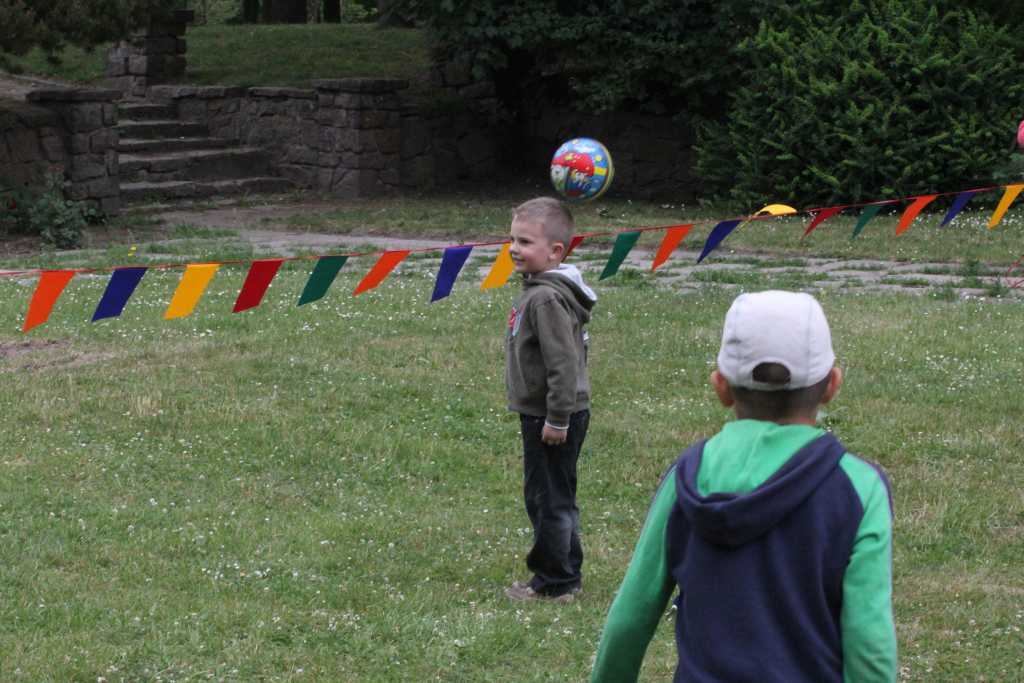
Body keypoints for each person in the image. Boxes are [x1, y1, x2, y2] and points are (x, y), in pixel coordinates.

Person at [591, 290, 897, 682]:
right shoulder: (860, 489)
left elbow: (630, 618)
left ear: (721, 387)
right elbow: (869, 640)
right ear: (832, 385)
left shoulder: (685, 478)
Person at [503, 196, 597, 604]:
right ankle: (564, 572)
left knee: (548, 498)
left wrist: (557, 417)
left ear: (555, 251)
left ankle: (555, 582)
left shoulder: (545, 298)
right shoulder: (542, 291)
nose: (513, 249)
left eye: (524, 242)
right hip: (548, 413)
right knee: (553, 493)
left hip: (552, 416)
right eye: (512, 240)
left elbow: (565, 364)